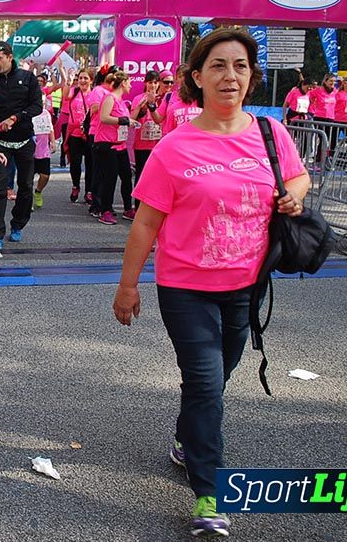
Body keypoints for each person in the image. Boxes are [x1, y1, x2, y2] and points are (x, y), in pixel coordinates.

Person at [113, 28, 310, 539]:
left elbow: (297, 175)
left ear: (251, 76)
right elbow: (146, 223)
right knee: (204, 383)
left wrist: (293, 194)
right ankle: (209, 492)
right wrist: (128, 285)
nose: (230, 76)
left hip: (247, 284)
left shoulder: (270, 132)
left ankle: (187, 438)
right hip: (185, 287)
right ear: (197, 77)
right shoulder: (175, 147)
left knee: (217, 378)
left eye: (240, 66)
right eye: (218, 66)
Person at [0, 41, 43, 250]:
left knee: (26, 186)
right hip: (0, 142)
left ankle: (18, 224)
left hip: (24, 139)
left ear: (9, 57)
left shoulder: (27, 78)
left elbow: (37, 106)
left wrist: (15, 118)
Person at [89, 71, 136, 224]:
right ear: (123, 83)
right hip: (106, 144)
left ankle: (128, 208)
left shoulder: (121, 101)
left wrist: (131, 120)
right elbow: (104, 117)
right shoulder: (110, 98)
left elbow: (126, 119)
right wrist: (123, 120)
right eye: (129, 83)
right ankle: (105, 210)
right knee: (109, 178)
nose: (130, 86)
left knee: (127, 176)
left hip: (120, 144)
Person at [61, 68, 95, 203]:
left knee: (90, 163)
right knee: (75, 162)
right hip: (74, 133)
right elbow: (65, 95)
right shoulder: (74, 92)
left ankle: (89, 191)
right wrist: (68, 82)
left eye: (86, 78)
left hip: (89, 133)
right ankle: (75, 186)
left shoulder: (95, 94)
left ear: (91, 80)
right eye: (80, 78)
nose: (82, 81)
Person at [131, 70, 165, 193]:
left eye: (155, 82)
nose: (153, 85)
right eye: (150, 82)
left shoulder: (163, 99)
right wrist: (141, 108)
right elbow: (131, 119)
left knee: (156, 175)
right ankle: (138, 201)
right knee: (141, 174)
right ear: (145, 83)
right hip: (141, 144)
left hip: (158, 144)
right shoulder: (138, 99)